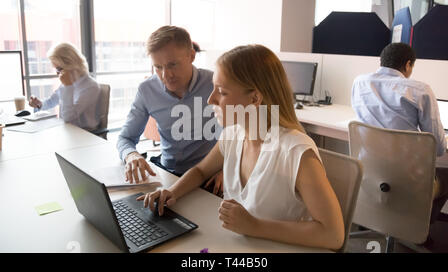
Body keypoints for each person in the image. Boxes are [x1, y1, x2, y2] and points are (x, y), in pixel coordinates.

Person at [136, 44, 345, 250]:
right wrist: (171, 192)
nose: (210, 100)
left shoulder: (296, 153)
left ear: (254, 98)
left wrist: (255, 226)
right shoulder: (234, 135)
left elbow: (333, 235)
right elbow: (201, 171)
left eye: (222, 92)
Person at [351, 42, 448, 223]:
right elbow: (438, 149)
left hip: (369, 172)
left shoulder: (359, 82)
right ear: (407, 64)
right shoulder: (420, 90)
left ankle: (394, 221)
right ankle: (420, 228)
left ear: (381, 62)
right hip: (409, 179)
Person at [117, 26, 220, 183]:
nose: (166, 75)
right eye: (158, 67)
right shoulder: (146, 90)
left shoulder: (215, 84)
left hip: (207, 176)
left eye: (172, 64)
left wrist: (226, 168)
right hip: (166, 173)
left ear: (191, 56)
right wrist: (131, 155)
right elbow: (125, 138)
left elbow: (238, 136)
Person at [28, 43, 101, 132]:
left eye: (59, 69)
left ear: (70, 64)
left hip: (84, 134)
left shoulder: (90, 87)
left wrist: (68, 86)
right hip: (67, 131)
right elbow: (51, 101)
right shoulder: (69, 83)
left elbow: (68, 117)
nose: (57, 73)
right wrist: (39, 104)